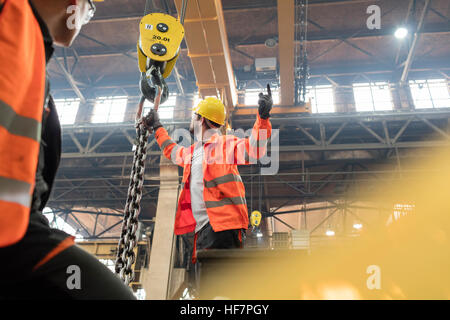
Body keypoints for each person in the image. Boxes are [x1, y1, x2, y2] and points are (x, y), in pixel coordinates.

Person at [0, 0, 135, 299]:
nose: (86, 18)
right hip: (15, 243)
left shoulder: (31, 46)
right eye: (90, 9)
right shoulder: (12, 25)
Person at [145, 85, 273, 263]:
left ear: (201, 119)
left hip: (224, 227)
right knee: (207, 287)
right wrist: (157, 126)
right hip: (204, 229)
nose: (191, 118)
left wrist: (263, 118)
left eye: (194, 115)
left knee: (220, 287)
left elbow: (254, 149)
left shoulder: (225, 144)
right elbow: (171, 151)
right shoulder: (192, 153)